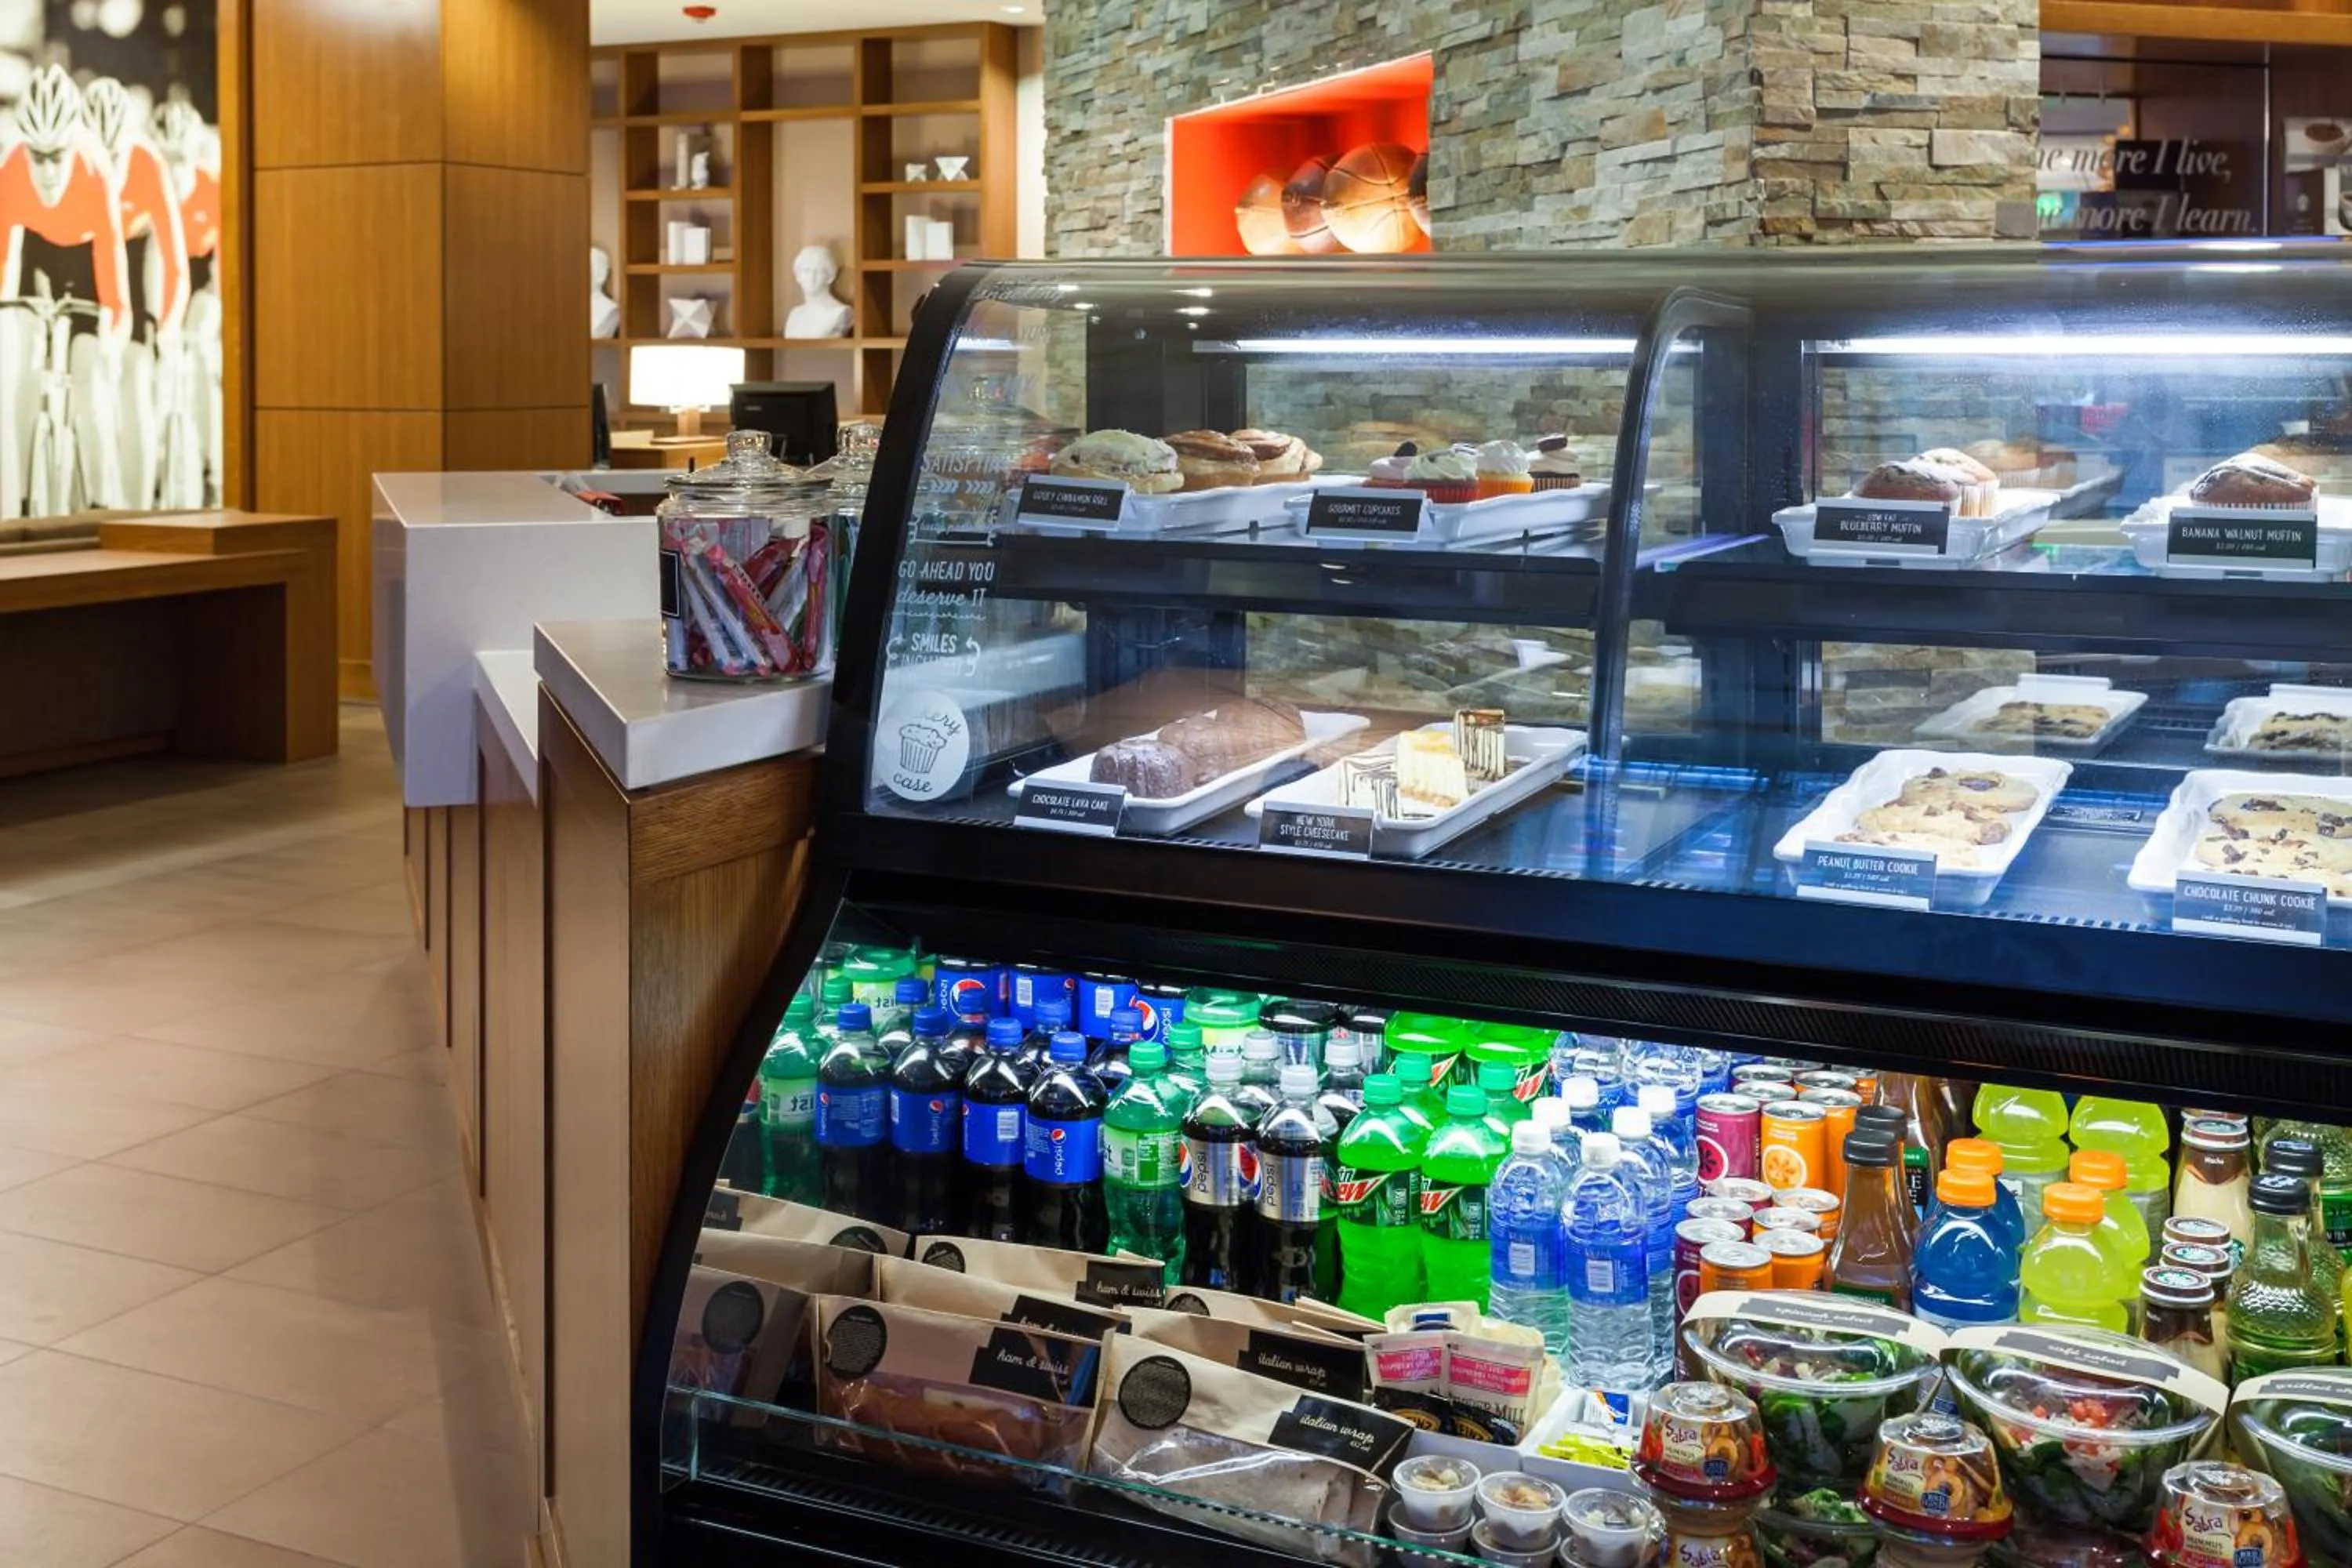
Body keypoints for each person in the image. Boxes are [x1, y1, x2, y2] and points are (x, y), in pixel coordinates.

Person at [0, 66, 130, 517]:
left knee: (90, 372)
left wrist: (113, 332)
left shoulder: (96, 174)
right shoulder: (12, 170)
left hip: (85, 261)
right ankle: (18, 504)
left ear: (74, 144)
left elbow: (115, 280)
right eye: (38, 156)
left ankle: (99, 505)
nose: (48, 169)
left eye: (57, 155)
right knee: (18, 375)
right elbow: (2, 258)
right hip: (37, 256)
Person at [84, 78, 191, 511]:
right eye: (100, 153)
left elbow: (174, 257)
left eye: (116, 154)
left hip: (137, 244)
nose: (109, 162)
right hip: (88, 245)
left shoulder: (147, 162)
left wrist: (167, 327)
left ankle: (140, 506)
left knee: (136, 372)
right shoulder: (78, 162)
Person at [151, 98, 220, 506]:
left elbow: (222, 269)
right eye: (166, 160)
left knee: (201, 354)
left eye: (181, 160)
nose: (175, 171)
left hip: (202, 277)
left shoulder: (212, 190)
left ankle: (213, 464)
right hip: (164, 272)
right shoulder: (153, 191)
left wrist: (204, 322)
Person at [783, 244, 852, 339]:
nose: (812, 277)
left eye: (819, 272)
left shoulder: (840, 312)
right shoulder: (795, 314)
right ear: (798, 276)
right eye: (806, 271)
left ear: (830, 277)